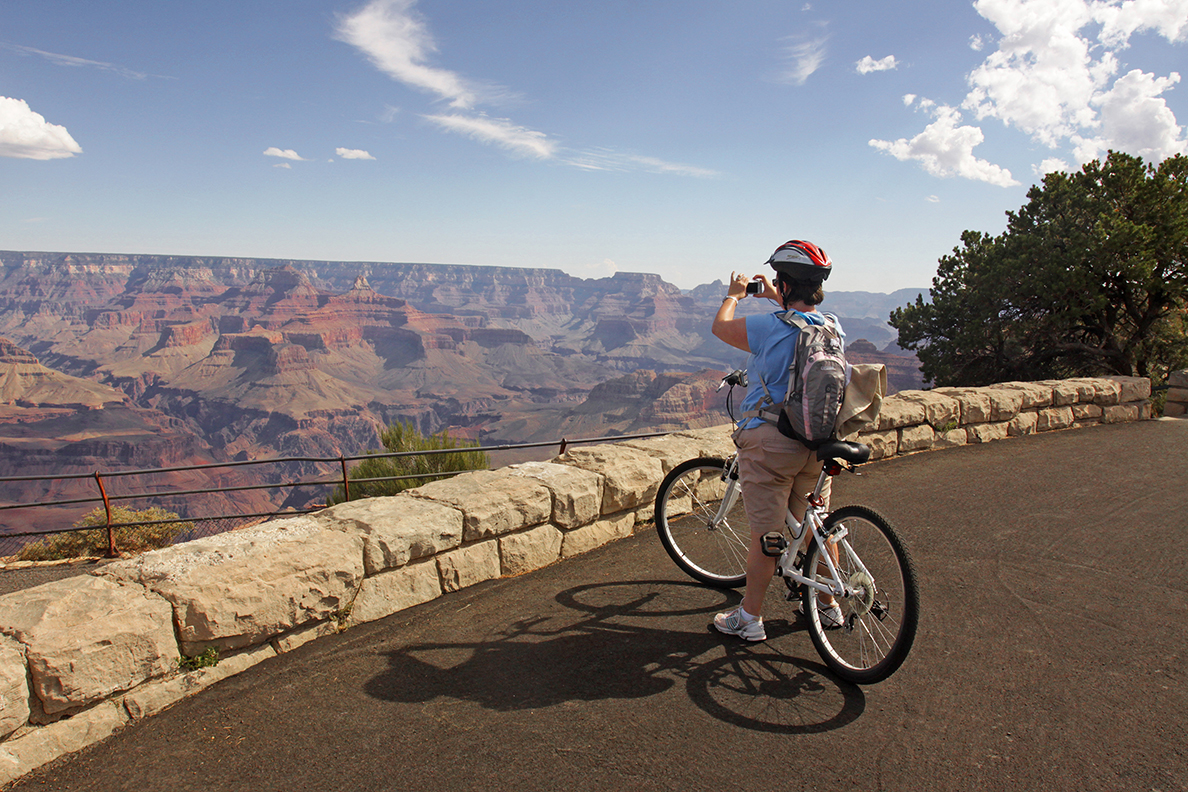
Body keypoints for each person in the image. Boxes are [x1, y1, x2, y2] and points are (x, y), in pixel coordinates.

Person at [709, 239, 845, 642]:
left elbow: (720, 327)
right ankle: (829, 605)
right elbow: (796, 322)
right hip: (816, 442)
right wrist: (777, 294)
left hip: (770, 442)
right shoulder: (833, 325)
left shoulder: (771, 326)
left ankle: (749, 618)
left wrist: (734, 296)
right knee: (813, 526)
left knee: (765, 536)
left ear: (784, 284)